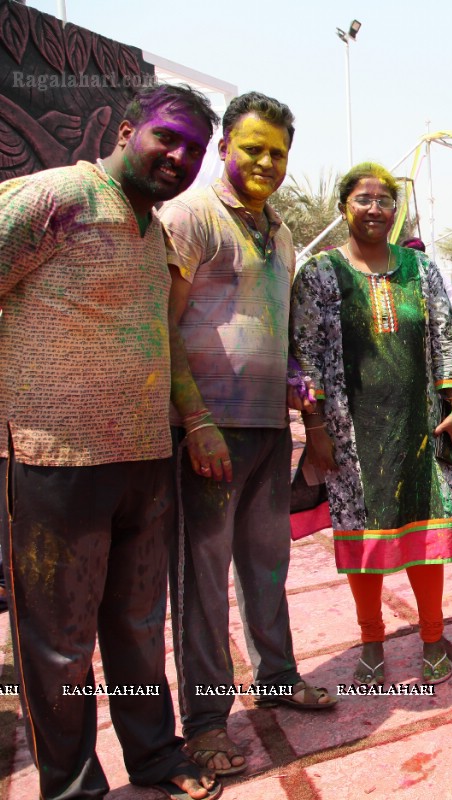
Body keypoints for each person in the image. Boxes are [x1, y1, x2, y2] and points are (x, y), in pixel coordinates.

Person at [0, 83, 221, 800]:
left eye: (192, 149)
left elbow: (163, 338)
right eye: (167, 137)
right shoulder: (54, 196)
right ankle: (72, 789)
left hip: (144, 459)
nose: (179, 156)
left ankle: (156, 759)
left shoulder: (154, 230)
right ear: (128, 130)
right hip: (53, 461)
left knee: (134, 628)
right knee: (59, 647)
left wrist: (192, 421)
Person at [161, 91, 335, 781]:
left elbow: (280, 326)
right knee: (200, 582)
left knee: (268, 564)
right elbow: (161, 326)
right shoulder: (191, 216)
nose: (266, 162)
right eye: (253, 148)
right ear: (225, 147)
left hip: (267, 425)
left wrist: (299, 390)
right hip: (207, 429)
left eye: (278, 153)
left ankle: (278, 675)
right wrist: (195, 419)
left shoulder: (280, 230)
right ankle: (204, 722)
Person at [290, 163, 452, 687]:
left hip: (420, 423)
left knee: (424, 531)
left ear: (396, 210)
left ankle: (433, 638)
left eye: (385, 200)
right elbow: (307, 355)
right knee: (362, 539)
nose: (375, 209)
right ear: (344, 205)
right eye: (363, 198)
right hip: (349, 432)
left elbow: (442, 337)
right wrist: (316, 429)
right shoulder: (321, 273)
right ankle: (372, 640)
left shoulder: (421, 269)